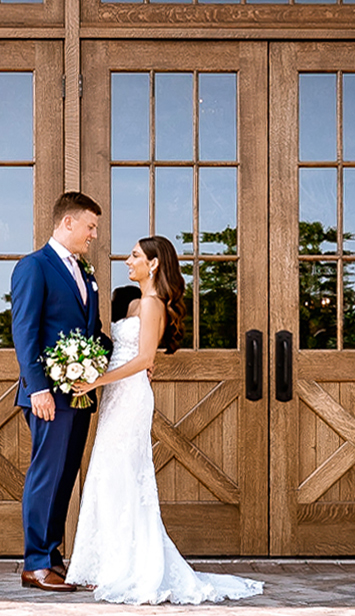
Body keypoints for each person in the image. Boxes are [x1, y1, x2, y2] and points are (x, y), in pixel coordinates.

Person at [63, 236, 263, 604]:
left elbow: (143, 359)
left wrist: (95, 380)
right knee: (107, 473)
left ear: (153, 264)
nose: (128, 259)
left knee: (122, 472)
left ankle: (127, 566)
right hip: (117, 395)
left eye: (135, 255)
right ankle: (105, 563)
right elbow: (127, 352)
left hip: (130, 395)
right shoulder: (136, 302)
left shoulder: (154, 304)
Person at [10, 191, 111, 592]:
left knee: (65, 478)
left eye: (96, 229)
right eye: (90, 226)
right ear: (67, 223)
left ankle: (53, 560)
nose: (93, 235)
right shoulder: (34, 267)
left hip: (80, 395)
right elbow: (24, 331)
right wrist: (38, 389)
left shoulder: (85, 273)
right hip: (48, 396)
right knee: (45, 476)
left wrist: (130, 359)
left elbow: (93, 332)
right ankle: (34, 564)